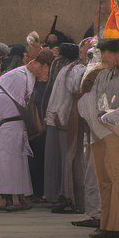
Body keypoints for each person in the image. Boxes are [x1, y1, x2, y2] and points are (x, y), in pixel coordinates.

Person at [79, 37, 119, 238]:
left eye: (107, 53)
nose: (103, 57)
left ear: (118, 53)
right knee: (104, 181)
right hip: (101, 131)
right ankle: (106, 223)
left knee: (118, 179)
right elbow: (86, 91)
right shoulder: (107, 73)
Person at [0, 50, 53, 208]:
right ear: (41, 65)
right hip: (7, 123)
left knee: (18, 162)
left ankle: (19, 197)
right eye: (45, 68)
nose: (45, 73)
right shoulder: (20, 76)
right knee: (6, 161)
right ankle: (9, 199)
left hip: (16, 123)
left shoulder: (27, 76)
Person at [43, 43, 85, 212]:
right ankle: (68, 196)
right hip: (65, 118)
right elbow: (70, 96)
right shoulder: (72, 70)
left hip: (64, 118)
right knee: (68, 159)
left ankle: (70, 197)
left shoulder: (70, 69)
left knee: (68, 159)